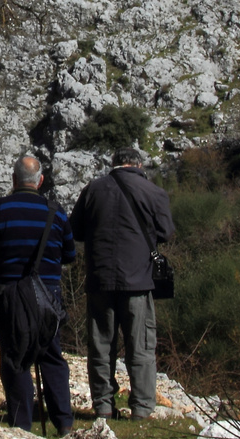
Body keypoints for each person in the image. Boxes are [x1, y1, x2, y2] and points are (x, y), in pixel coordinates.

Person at [70, 146, 176, 420]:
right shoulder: (153, 192)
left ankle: (104, 407)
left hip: (100, 279)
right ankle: (141, 409)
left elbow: (76, 230)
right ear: (139, 165)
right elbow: (166, 232)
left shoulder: (93, 189)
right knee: (140, 346)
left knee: (101, 345)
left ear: (114, 163)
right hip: (138, 281)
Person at [0, 153, 76, 433]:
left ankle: (21, 425)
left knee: (14, 357)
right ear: (40, 181)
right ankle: (64, 424)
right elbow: (70, 255)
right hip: (48, 297)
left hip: (11, 297)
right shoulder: (56, 213)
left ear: (14, 179)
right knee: (52, 356)